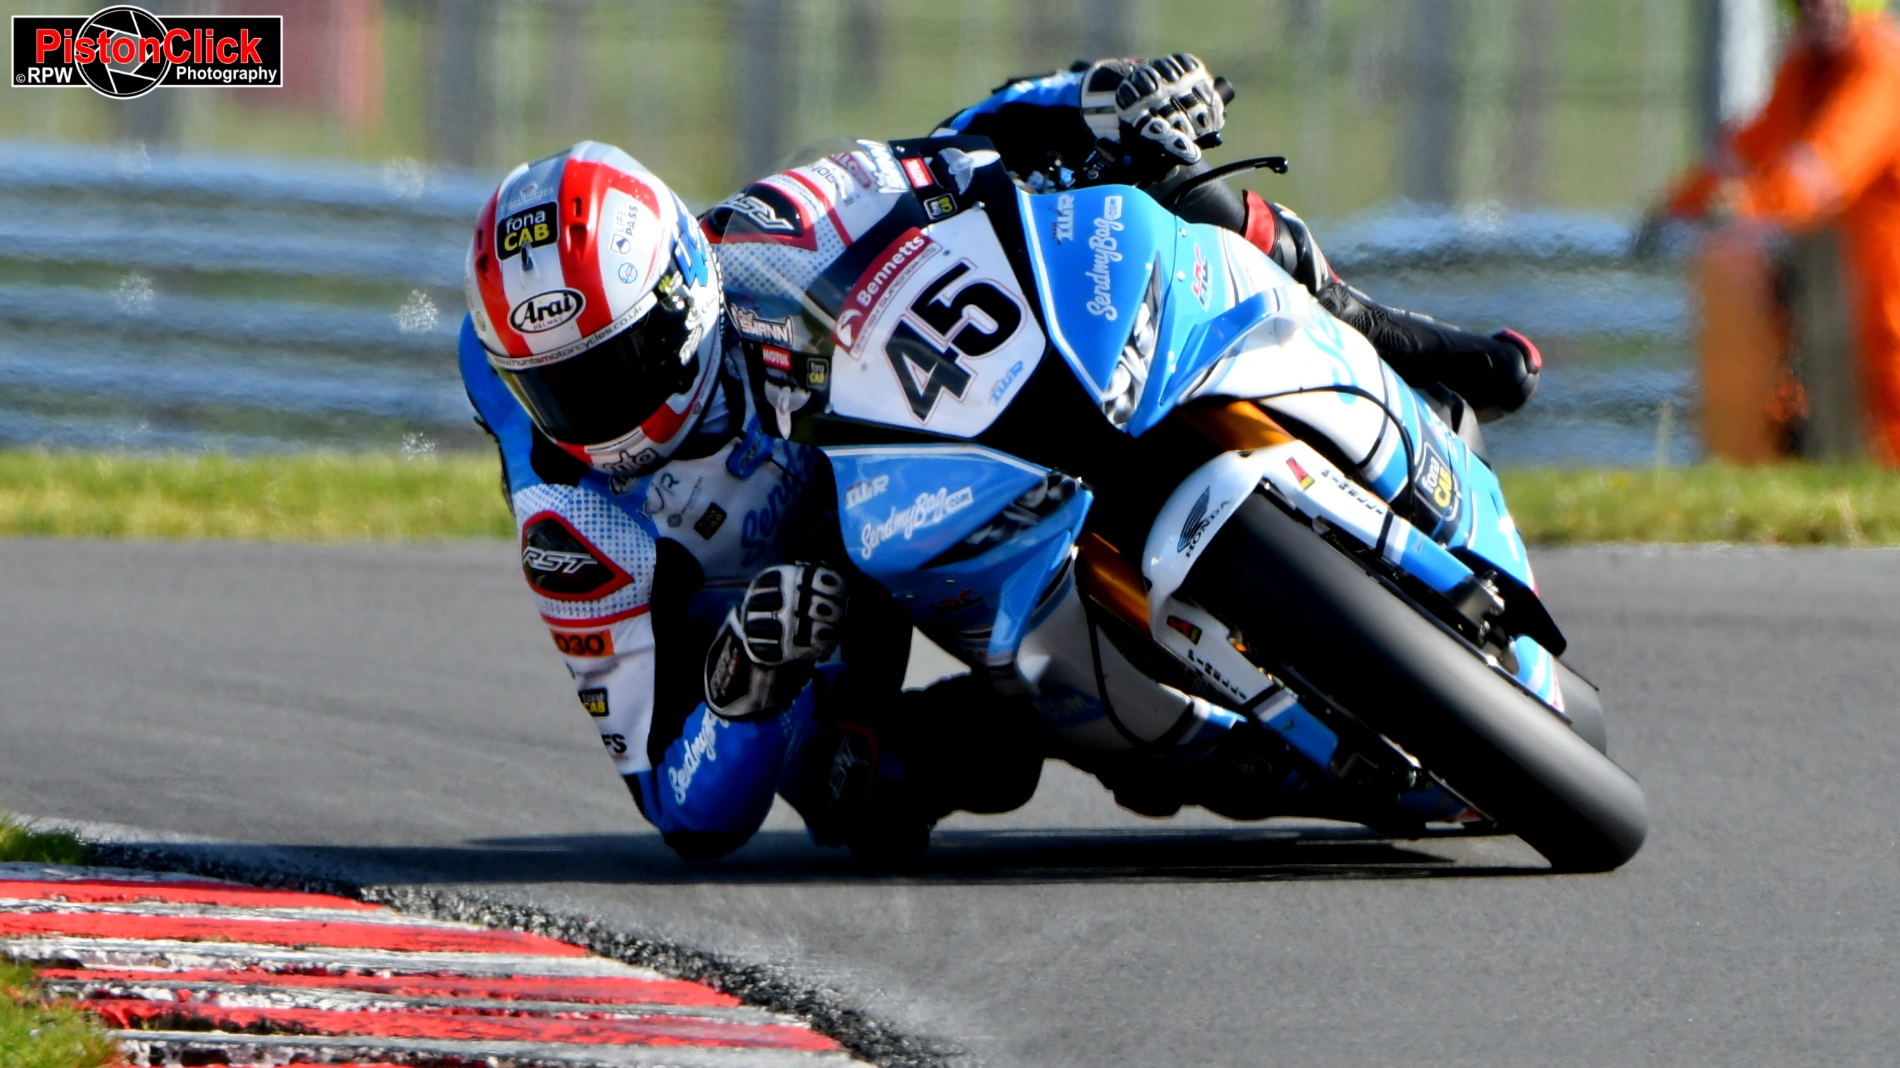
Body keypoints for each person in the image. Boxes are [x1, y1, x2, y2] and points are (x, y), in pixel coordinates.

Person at [459, 55, 1544, 861]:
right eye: (559, 390)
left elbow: (954, 141)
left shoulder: (766, 232)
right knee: (854, 790)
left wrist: (1098, 94)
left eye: (620, 364)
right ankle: (1108, 728)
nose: (599, 412)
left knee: (1153, 173)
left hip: (925, 416)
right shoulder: (576, 519)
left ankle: (1384, 330)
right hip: (806, 591)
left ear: (684, 290)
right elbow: (679, 804)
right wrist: (750, 676)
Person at [1648, 0, 1900, 460]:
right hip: (1849, 277)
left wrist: (1747, 204)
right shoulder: (1806, 67)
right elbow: (1752, 147)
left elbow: (1826, 169)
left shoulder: (1881, 65)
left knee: (1890, 373)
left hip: (1885, 276)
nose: (1817, 7)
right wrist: (1680, 202)